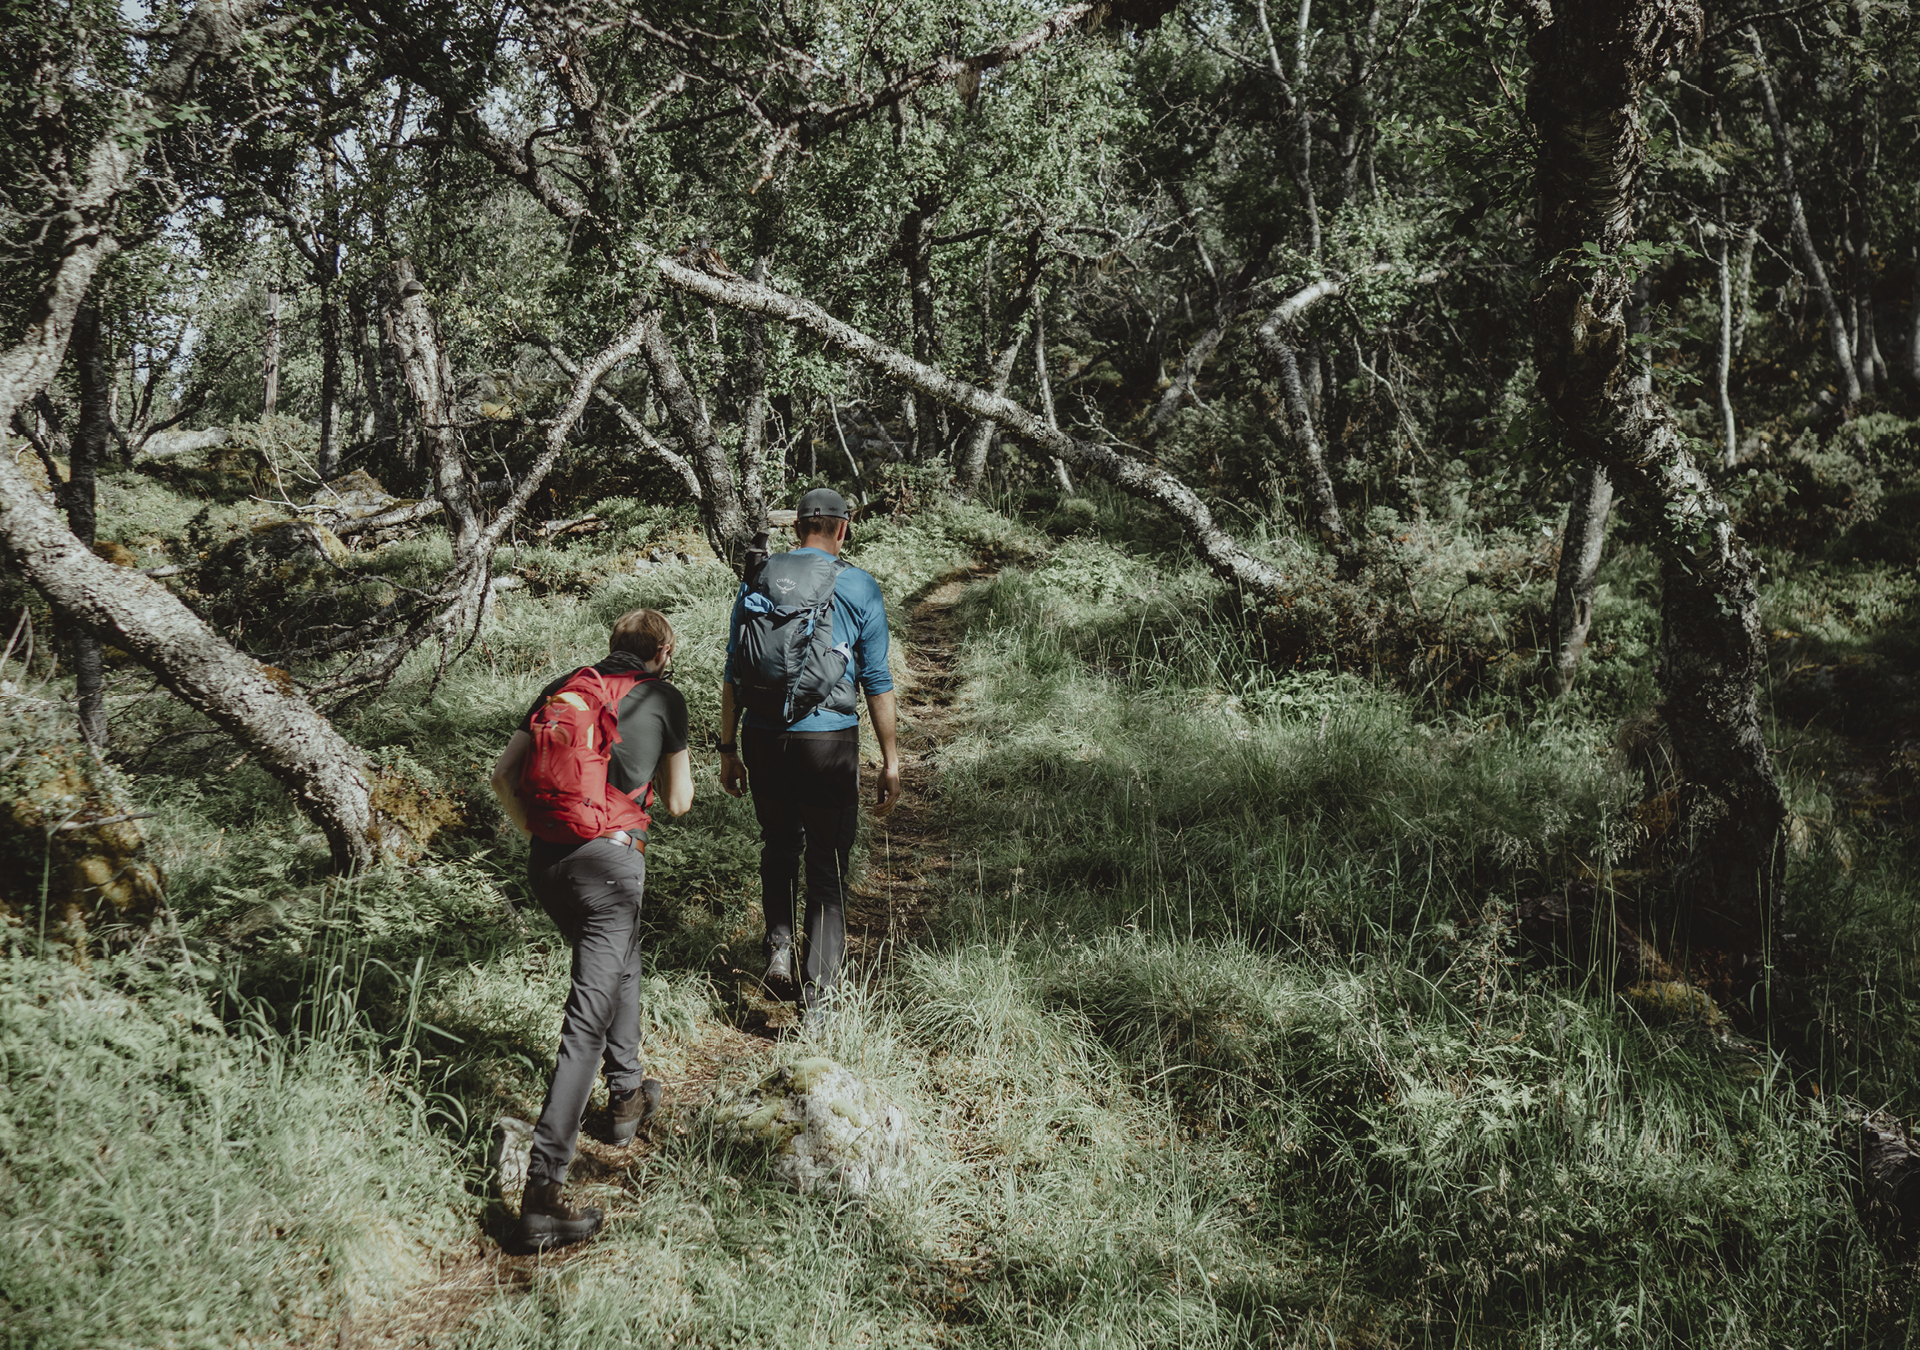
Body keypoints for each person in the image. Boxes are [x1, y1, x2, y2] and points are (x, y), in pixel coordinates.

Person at [489, 608, 692, 1252]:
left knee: (619, 964)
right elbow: (682, 801)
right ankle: (543, 1192)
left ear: (612, 648)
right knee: (587, 1019)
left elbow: (502, 776)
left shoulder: (564, 690)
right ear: (662, 650)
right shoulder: (664, 697)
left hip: (548, 864)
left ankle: (627, 1096)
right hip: (610, 863)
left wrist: (544, 839)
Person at [719, 487, 902, 1022]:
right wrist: (890, 760)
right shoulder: (859, 585)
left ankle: (778, 947)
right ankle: (819, 1000)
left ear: (796, 528)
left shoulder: (759, 578)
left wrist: (728, 749)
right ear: (842, 529)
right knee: (827, 865)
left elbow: (734, 670)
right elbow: (877, 679)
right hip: (828, 742)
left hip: (763, 738)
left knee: (779, 844)